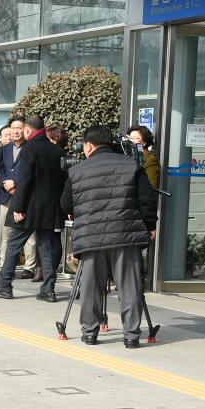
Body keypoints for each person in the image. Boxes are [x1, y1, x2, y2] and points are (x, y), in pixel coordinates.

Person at [61, 125, 158, 347]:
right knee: (129, 286)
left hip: (91, 237)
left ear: (88, 145)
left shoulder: (77, 170)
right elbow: (146, 199)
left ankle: (89, 333)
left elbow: (65, 203)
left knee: (90, 287)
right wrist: (150, 225)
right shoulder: (132, 165)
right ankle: (132, 335)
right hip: (126, 236)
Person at [0, 115, 67, 302]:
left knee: (14, 244)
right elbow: (63, 181)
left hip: (30, 207)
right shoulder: (58, 151)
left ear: (28, 130)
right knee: (46, 248)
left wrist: (18, 207)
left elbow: (25, 180)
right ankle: (48, 289)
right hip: (50, 207)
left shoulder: (29, 148)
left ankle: (4, 284)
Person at [0, 117, 38, 282]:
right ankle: (4, 265)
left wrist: (16, 183)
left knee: (29, 234)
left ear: (25, 129)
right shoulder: (5, 149)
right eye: (12, 128)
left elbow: (32, 172)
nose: (15, 131)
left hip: (25, 195)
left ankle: (29, 267)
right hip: (6, 195)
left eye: (19, 128)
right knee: (4, 233)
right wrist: (6, 182)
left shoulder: (31, 148)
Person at [127, 125, 160, 190]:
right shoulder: (127, 156)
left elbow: (152, 186)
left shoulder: (150, 160)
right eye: (130, 138)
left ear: (144, 142)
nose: (131, 141)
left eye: (136, 138)